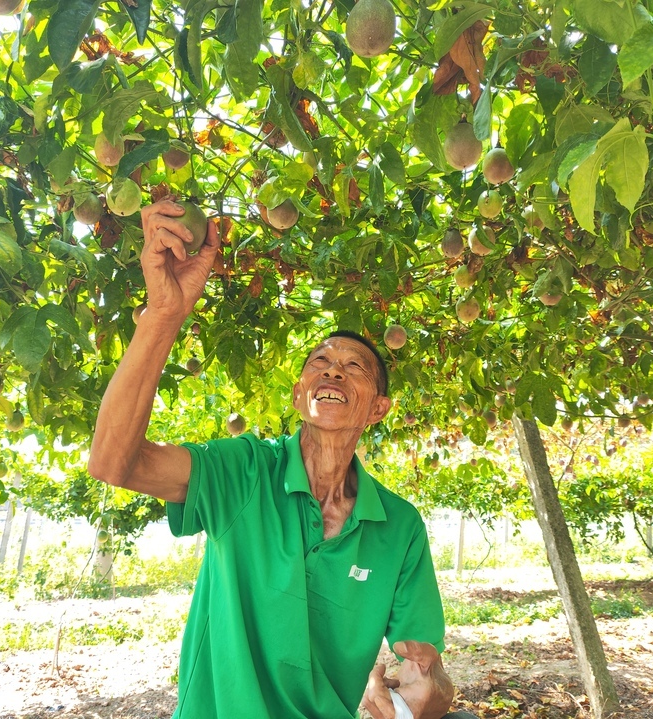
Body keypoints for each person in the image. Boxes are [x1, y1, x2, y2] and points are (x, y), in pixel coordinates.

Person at [88, 199, 466, 719]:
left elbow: (427, 667)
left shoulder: (399, 527)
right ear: (298, 394)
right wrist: (163, 315)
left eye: (354, 367)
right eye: (321, 362)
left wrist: (422, 695)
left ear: (378, 408)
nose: (333, 372)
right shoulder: (243, 471)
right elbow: (114, 463)